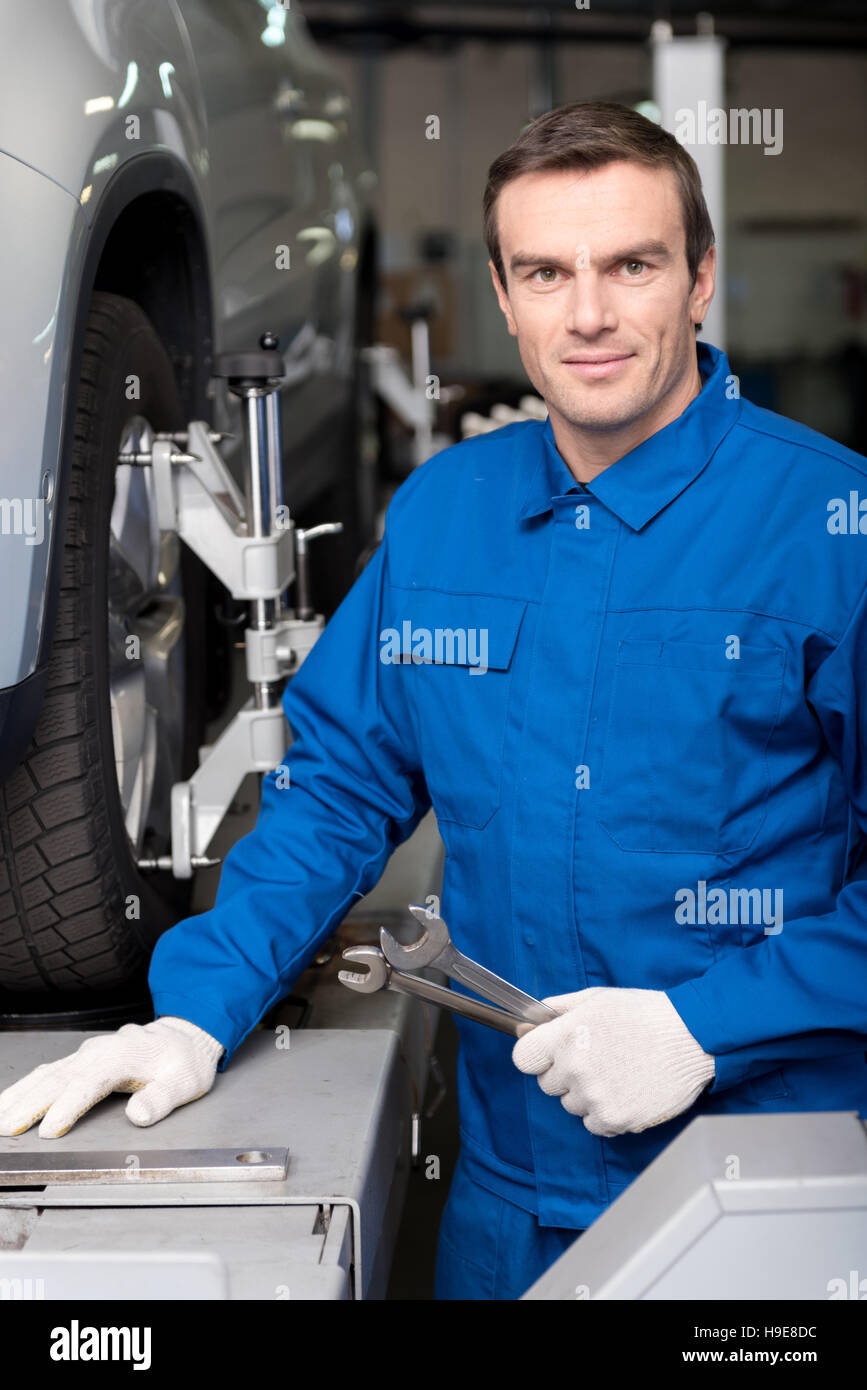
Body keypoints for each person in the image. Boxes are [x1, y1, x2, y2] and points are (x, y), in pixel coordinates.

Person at [2, 101, 866, 1301]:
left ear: (702, 277)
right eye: (545, 272)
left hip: (762, 1187)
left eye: (633, 264)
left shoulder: (831, 528)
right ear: (503, 298)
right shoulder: (446, 512)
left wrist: (707, 1026)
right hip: (505, 1200)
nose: (591, 313)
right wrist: (193, 1014)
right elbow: (338, 791)